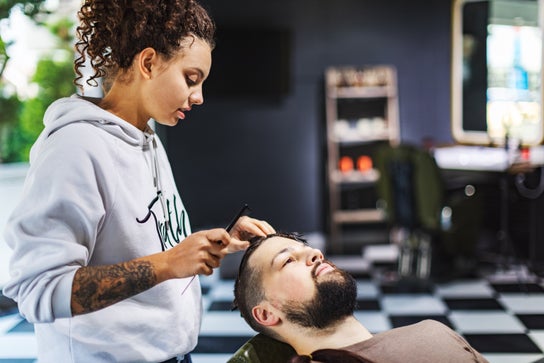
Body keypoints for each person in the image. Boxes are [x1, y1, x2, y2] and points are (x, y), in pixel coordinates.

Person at [2, 1, 275, 362]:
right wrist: (169, 263)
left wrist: (213, 243)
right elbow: (37, 289)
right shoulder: (75, 147)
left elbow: (146, 245)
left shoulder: (148, 141)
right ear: (148, 63)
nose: (199, 96)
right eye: (191, 79)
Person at [232, 232, 490, 363]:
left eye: (307, 248)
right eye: (288, 260)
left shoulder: (435, 332)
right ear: (267, 313)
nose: (315, 253)